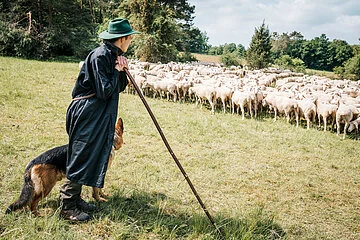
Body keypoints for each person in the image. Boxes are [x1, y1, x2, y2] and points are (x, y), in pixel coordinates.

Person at [60, 18, 139, 222]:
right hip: (87, 112)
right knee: (82, 154)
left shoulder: (113, 56)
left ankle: (76, 200)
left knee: (92, 153)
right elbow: (104, 91)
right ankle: (67, 205)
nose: (131, 41)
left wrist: (122, 71)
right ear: (122, 39)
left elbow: (117, 87)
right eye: (130, 38)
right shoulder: (100, 56)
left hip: (99, 113)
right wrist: (116, 71)